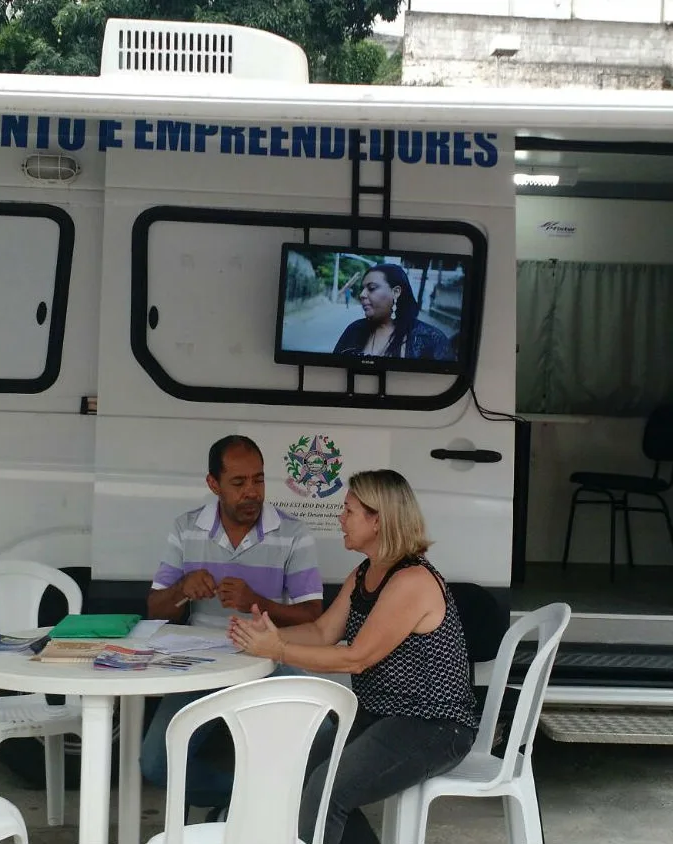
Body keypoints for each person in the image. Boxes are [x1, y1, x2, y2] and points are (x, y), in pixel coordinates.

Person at [229, 469, 477, 844]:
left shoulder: (412, 581)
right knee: (299, 774)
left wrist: (276, 650)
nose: (340, 519)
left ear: (377, 520)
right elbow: (322, 632)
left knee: (325, 792)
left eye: (348, 511)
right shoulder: (366, 572)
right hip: (381, 715)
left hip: (433, 724)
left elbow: (356, 658)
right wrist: (267, 636)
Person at [141, 434, 324, 813]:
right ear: (213, 484)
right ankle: (250, 802)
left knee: (321, 734)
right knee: (157, 763)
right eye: (238, 483)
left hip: (266, 658)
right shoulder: (186, 528)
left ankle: (263, 807)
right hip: (201, 663)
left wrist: (255, 601)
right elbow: (155, 611)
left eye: (258, 480)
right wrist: (182, 590)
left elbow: (313, 617)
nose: (252, 493)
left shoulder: (294, 534)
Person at [332, 264, 452, 361]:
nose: (362, 295)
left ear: (396, 292)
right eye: (362, 289)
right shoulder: (354, 330)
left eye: (372, 288)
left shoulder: (431, 339)